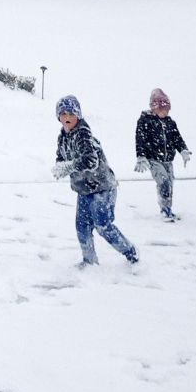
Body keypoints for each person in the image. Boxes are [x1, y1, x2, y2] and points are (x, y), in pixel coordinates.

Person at [52, 95, 139, 267]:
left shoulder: (84, 134)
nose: (67, 117)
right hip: (84, 189)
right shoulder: (62, 138)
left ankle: (131, 253)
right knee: (82, 227)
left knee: (103, 225)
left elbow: (91, 161)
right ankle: (89, 260)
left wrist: (68, 167)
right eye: (63, 114)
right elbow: (60, 158)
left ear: (78, 115)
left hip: (102, 188)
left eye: (71, 113)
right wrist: (59, 167)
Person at [133, 88, 191, 221]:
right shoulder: (145, 121)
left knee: (169, 184)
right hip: (154, 159)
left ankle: (168, 208)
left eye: (167, 110)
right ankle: (165, 211)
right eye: (163, 109)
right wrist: (141, 156)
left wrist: (183, 150)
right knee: (163, 182)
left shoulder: (170, 123)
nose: (166, 112)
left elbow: (177, 138)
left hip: (168, 160)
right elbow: (140, 139)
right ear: (154, 108)